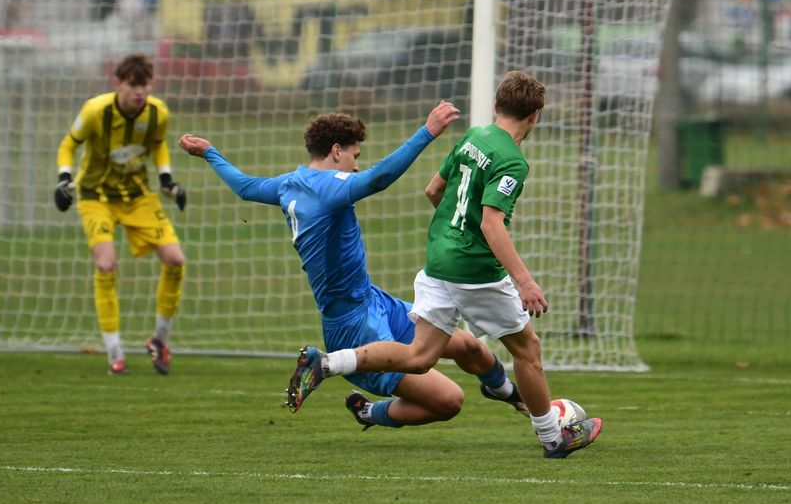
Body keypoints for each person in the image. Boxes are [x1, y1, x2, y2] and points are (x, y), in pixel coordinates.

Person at [286, 72, 602, 458]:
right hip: (475, 271)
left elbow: (433, 189)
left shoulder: (471, 139)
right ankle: (553, 437)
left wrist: (453, 236)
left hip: (437, 262)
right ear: (535, 116)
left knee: (421, 356)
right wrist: (525, 281)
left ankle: (329, 363)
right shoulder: (513, 161)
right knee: (527, 349)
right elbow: (490, 223)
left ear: (496, 106)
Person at [177, 101, 531, 428]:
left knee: (470, 347)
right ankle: (368, 411)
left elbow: (245, 187)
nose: (357, 164)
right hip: (353, 326)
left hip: (374, 301)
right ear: (336, 151)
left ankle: (512, 396)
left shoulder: (289, 184)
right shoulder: (329, 188)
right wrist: (428, 131)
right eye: (355, 155)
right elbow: (378, 178)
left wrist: (210, 153)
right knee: (449, 401)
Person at [55, 54, 186, 376]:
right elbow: (68, 145)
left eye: (144, 85)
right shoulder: (95, 111)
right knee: (106, 263)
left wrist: (167, 179)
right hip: (95, 195)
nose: (139, 92)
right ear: (119, 84)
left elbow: (158, 146)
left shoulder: (158, 113)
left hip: (138, 195)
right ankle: (115, 353)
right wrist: (63, 179)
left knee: (175, 260)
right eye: (132, 85)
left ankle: (160, 341)